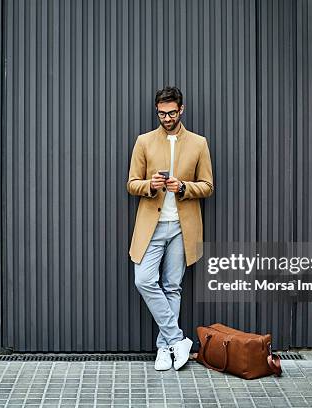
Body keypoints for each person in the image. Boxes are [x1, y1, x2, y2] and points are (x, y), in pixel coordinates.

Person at [127, 86, 214, 370]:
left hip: (181, 228)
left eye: (171, 113)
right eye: (162, 113)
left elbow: (208, 186)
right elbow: (131, 183)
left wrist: (185, 187)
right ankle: (177, 339)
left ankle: (165, 350)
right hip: (151, 227)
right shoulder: (144, 141)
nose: (166, 118)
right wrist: (150, 186)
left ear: (181, 110)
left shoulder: (199, 143)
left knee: (172, 287)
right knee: (143, 280)